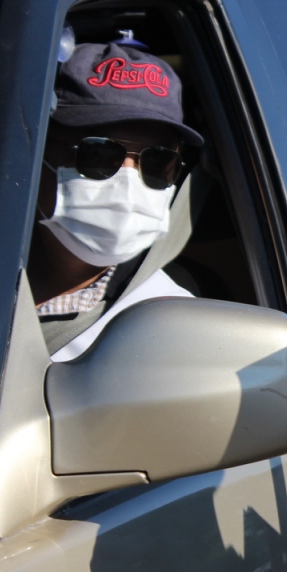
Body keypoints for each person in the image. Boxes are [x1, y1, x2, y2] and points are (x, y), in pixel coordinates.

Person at [30, 40, 204, 361]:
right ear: (38, 152)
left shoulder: (172, 327)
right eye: (99, 153)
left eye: (156, 163)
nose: (128, 181)